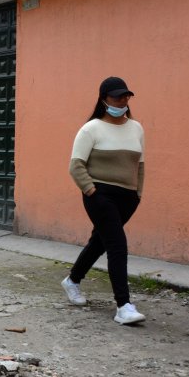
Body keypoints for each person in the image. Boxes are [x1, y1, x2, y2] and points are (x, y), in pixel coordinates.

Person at [62, 76, 146, 325]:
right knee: (117, 245)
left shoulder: (136, 128)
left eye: (126, 96)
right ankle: (124, 306)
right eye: (116, 96)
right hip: (100, 195)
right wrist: (91, 191)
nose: (122, 100)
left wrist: (138, 194)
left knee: (100, 241)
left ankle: (73, 280)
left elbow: (140, 166)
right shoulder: (91, 129)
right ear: (104, 100)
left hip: (128, 198)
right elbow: (75, 166)